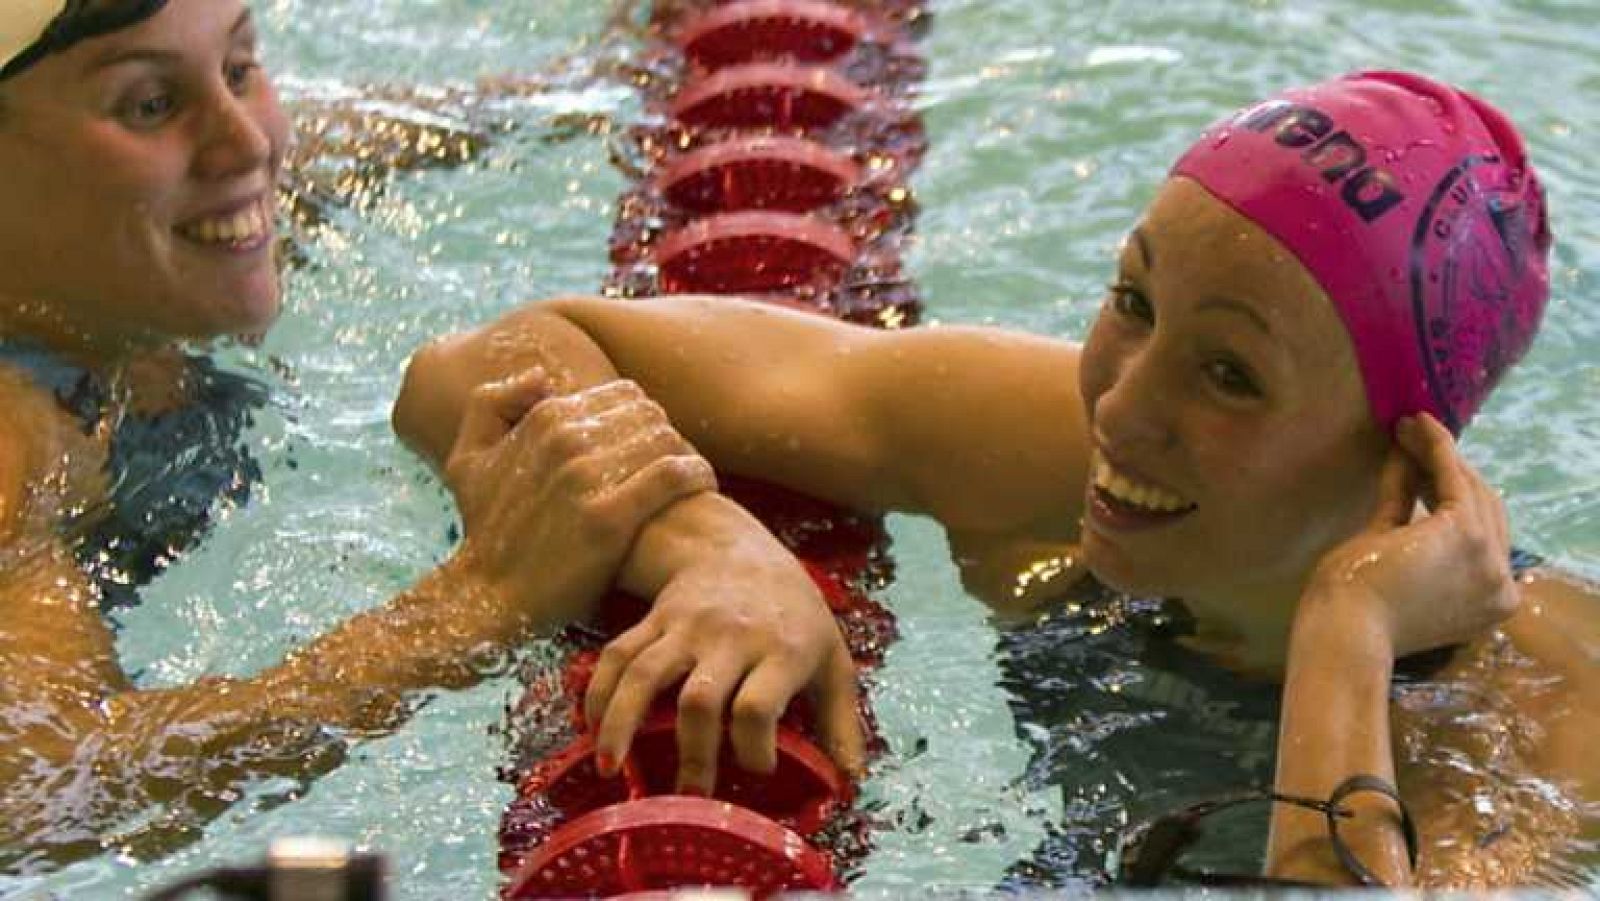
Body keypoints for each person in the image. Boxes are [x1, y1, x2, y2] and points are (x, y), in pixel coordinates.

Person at [396, 70, 1599, 887]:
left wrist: (1347, 631)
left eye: (1229, 374)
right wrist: (715, 545)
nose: (1121, 407)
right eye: (1133, 301)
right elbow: (479, 370)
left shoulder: (1553, 718)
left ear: (1405, 452)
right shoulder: (1047, 449)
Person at [0, 0, 865, 871]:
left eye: (238, 67)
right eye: (150, 103)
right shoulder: (15, 433)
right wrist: (476, 605)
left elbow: (381, 133)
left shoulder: (184, 210)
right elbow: (43, 789)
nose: (248, 145)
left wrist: (597, 81)